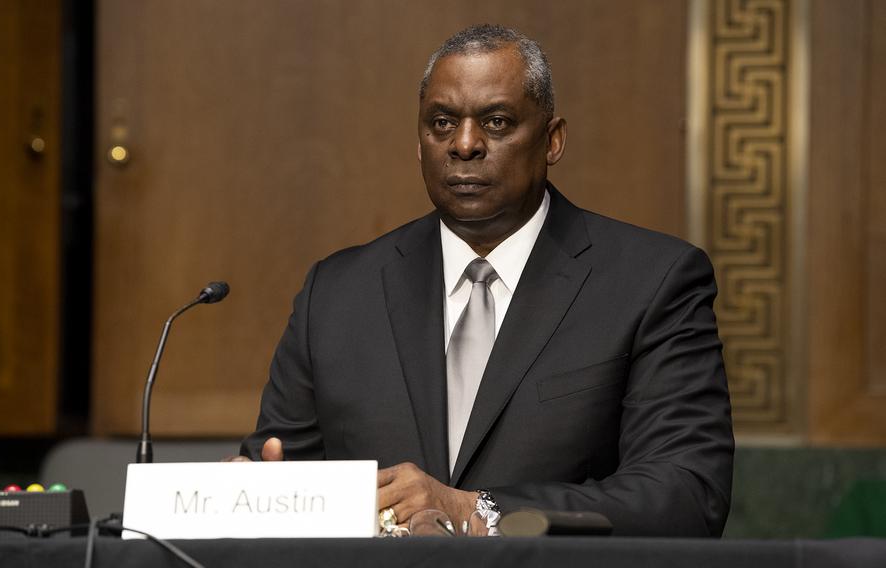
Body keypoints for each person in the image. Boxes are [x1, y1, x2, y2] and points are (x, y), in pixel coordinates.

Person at [238, 24, 734, 537]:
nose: (465, 144)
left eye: (496, 122)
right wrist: (247, 497)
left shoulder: (652, 281)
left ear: (552, 140)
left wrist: (472, 509)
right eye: (442, 123)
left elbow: (687, 493)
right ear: (419, 141)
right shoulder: (337, 293)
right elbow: (274, 475)